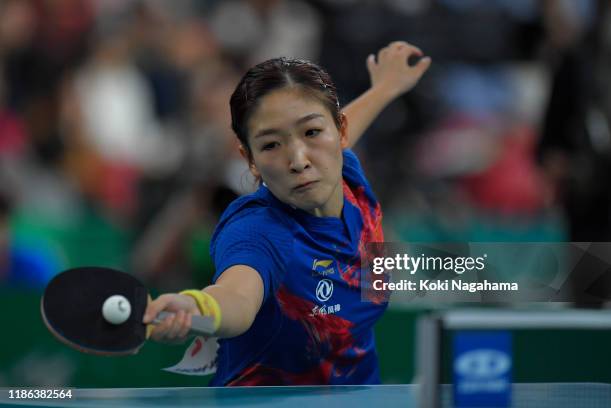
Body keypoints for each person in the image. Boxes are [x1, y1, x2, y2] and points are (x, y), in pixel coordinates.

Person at [143, 41, 431, 385]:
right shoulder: (257, 230)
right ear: (249, 160)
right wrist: (198, 308)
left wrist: (386, 87)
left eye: (311, 132)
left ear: (340, 132)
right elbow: (237, 297)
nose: (298, 160)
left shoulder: (347, 174)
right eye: (270, 145)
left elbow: (333, 125)